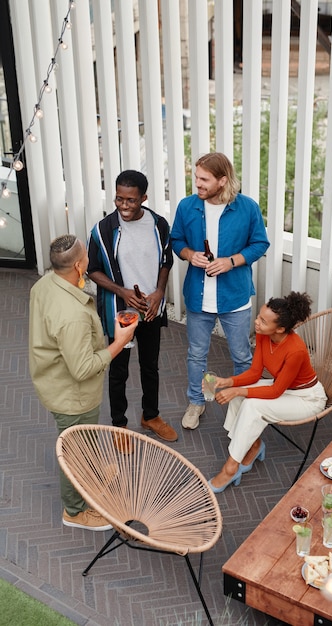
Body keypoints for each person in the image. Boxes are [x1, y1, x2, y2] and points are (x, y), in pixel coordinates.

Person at [29, 234, 137, 530]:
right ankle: (74, 511)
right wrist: (120, 341)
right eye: (87, 257)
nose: (90, 260)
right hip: (72, 394)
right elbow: (83, 368)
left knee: (82, 441)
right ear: (79, 266)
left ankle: (96, 471)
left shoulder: (45, 283)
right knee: (75, 451)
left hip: (53, 380)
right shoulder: (72, 315)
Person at [171, 152, 270, 430]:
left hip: (234, 298)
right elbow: (176, 239)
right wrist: (190, 254)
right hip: (197, 296)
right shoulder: (187, 206)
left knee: (241, 356)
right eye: (196, 177)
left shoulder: (248, 207)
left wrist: (231, 261)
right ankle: (196, 402)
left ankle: (243, 406)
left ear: (222, 180)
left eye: (204, 179)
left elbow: (260, 243)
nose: (197, 183)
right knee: (196, 354)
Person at [87, 169, 177, 444]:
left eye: (131, 200)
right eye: (119, 199)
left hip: (150, 310)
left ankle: (150, 416)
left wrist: (160, 292)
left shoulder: (159, 224)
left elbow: (166, 261)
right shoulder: (103, 230)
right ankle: (119, 425)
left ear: (144, 198)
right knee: (119, 370)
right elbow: (93, 270)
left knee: (150, 366)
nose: (124, 206)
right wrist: (123, 292)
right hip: (121, 313)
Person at [207, 292, 327, 493]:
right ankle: (254, 447)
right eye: (258, 317)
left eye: (263, 321)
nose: (256, 322)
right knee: (238, 398)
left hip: (307, 398)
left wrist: (238, 390)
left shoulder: (295, 350)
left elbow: (275, 391)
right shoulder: (264, 336)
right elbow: (255, 373)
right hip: (284, 387)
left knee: (251, 403)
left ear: (280, 328)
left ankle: (230, 468)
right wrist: (228, 382)